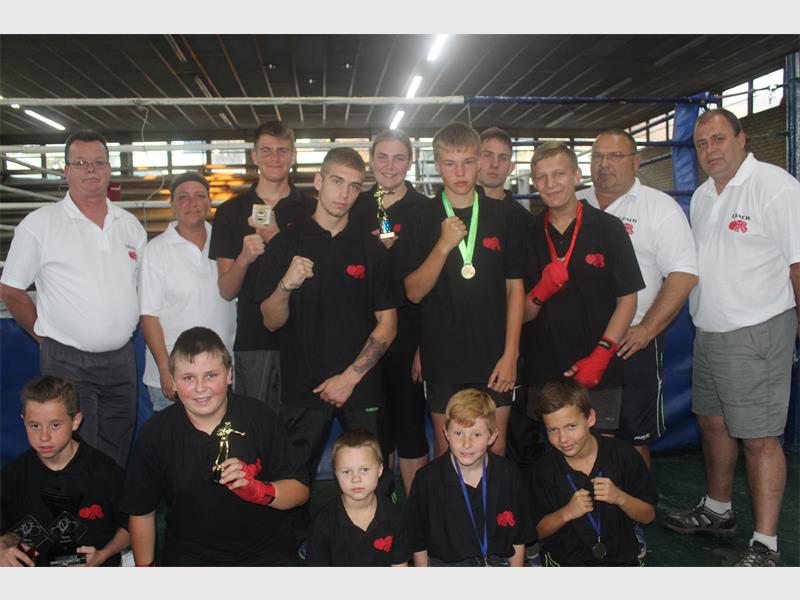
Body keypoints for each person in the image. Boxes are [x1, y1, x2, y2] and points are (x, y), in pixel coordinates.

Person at [663, 108, 800, 567]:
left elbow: (798, 263)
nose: (710, 150)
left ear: (742, 139)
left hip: (757, 329)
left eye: (719, 139)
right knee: (713, 423)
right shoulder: (704, 195)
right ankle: (718, 510)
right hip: (710, 331)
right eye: (701, 144)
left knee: (759, 438)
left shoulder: (775, 187)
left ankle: (766, 545)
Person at [0, 130, 146, 467]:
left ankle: (109, 502)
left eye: (98, 162)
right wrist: (44, 336)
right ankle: (76, 504)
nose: (91, 170)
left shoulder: (130, 226)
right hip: (67, 361)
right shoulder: (40, 224)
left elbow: (139, 289)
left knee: (117, 450)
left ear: (109, 169)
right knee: (75, 453)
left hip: (121, 360)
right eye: (80, 163)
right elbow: (11, 290)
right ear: (65, 171)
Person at [256, 147, 397, 483]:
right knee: (293, 480)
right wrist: (286, 286)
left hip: (360, 386)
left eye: (354, 186)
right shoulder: (286, 243)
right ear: (318, 182)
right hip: (303, 385)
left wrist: (349, 378)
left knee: (374, 479)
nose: (344, 193)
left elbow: (388, 324)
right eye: (337, 181)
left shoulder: (372, 249)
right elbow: (271, 320)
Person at [120, 327, 309, 566]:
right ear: (172, 382)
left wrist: (261, 491)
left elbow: (300, 491)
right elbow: (141, 511)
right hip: (190, 555)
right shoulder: (155, 434)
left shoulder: (259, 417)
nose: (201, 388)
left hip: (265, 550)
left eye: (211, 375)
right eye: (188, 378)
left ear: (229, 375)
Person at [397, 122, 525, 458]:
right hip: (443, 357)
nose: (460, 172)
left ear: (480, 162)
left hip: (494, 355)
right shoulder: (421, 217)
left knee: (495, 449)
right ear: (437, 165)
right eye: (451, 164)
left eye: (468, 162)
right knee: (449, 452)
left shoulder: (504, 216)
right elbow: (413, 293)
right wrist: (443, 246)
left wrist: (511, 354)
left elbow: (515, 289)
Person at [578, 128, 698, 465]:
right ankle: (588, 500)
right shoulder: (575, 203)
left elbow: (684, 274)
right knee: (579, 433)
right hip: (580, 341)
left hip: (631, 342)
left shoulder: (659, 207)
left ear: (636, 161)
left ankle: (633, 501)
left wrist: (647, 329)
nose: (604, 164)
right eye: (597, 156)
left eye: (615, 156)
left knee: (633, 438)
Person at [522, 141, 643, 437]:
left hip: (598, 370)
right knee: (552, 456)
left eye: (559, 174)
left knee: (600, 453)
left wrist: (603, 353)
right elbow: (520, 314)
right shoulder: (528, 234)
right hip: (544, 370)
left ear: (577, 175)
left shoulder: (608, 228)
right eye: (542, 177)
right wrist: (540, 292)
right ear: (534, 182)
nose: (551, 184)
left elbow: (628, 299)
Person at [209, 121, 316, 414]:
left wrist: (277, 239)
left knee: (302, 429)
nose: (275, 157)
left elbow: (318, 277)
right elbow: (226, 290)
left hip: (304, 338)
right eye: (266, 150)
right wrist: (244, 257)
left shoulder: (312, 209)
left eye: (283, 150)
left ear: (294, 156)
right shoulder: (230, 212)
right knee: (255, 425)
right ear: (254, 155)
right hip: (254, 340)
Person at [349, 129, 430, 495]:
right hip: (364, 334)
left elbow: (433, 286)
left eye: (399, 158)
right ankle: (379, 505)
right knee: (373, 428)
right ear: (371, 160)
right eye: (382, 156)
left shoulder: (425, 210)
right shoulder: (355, 205)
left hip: (408, 334)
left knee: (409, 425)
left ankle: (415, 511)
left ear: (410, 162)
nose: (390, 165)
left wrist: (425, 346)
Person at [0, 376, 129, 567]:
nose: (44, 437)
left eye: (55, 425)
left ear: (75, 421)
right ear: (23, 421)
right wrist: (3, 548)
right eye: (34, 425)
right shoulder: (12, 475)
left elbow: (132, 527)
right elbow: (7, 532)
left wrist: (103, 555)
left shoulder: (106, 472)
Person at [530, 379, 657, 567]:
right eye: (553, 430)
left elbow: (648, 515)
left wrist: (620, 498)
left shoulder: (623, 456)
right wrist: (566, 513)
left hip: (621, 560)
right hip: (566, 563)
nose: (563, 438)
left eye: (571, 426)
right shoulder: (543, 471)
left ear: (590, 418)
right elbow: (536, 532)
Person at [402, 388, 535, 566]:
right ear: (446, 433)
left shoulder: (508, 474)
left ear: (492, 436)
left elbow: (518, 537)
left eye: (476, 434)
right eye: (458, 433)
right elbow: (418, 541)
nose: (466, 444)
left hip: (498, 561)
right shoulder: (427, 480)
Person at [139, 171, 236, 412]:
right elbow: (149, 316)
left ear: (209, 203)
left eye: (199, 196)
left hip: (219, 375)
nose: (192, 203)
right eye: (183, 197)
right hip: (176, 376)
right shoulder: (156, 250)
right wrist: (166, 369)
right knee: (173, 437)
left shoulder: (227, 244)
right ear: (171, 204)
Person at [478, 126, 543, 472]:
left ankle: (517, 500)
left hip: (511, 341)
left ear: (510, 166)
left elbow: (526, 290)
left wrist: (512, 350)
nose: (494, 164)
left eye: (502, 158)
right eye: (487, 155)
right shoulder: (451, 209)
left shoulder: (522, 221)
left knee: (516, 434)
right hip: (461, 341)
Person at [306, 429, 408, 566]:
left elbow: (399, 565)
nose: (355, 479)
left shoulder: (395, 515)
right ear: (336, 474)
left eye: (364, 469)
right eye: (346, 471)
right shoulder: (323, 523)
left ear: (380, 470)